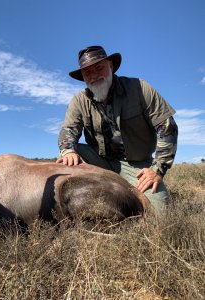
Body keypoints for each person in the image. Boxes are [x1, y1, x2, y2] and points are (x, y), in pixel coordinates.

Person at [56, 45, 178, 212]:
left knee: (161, 212)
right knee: (65, 159)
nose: (94, 76)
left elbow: (167, 128)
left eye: (99, 68)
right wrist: (68, 150)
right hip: (99, 160)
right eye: (87, 73)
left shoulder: (139, 88)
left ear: (111, 66)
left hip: (136, 164)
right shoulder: (79, 101)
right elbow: (68, 131)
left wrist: (157, 170)